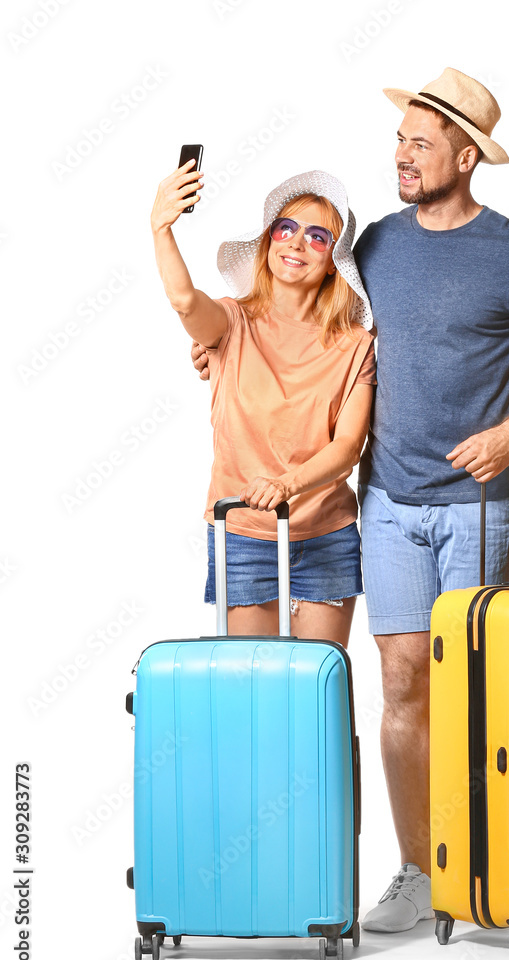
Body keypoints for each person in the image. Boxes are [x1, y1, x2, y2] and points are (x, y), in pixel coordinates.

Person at [191, 68, 509, 933]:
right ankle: (417, 871)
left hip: (476, 507)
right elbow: (311, 313)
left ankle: (484, 862)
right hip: (387, 502)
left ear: (465, 153)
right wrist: (224, 355)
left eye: (419, 143)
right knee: (402, 682)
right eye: (399, 141)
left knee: (474, 689)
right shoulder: (374, 242)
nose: (402, 156)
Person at [151, 168, 376, 646]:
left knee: (317, 688)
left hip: (326, 536)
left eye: (318, 237)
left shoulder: (356, 345)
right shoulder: (230, 322)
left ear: (334, 260)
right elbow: (184, 301)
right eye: (286, 229)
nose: (296, 244)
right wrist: (161, 229)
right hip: (243, 533)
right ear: (269, 240)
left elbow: (349, 446)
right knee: (252, 687)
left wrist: (285, 485)